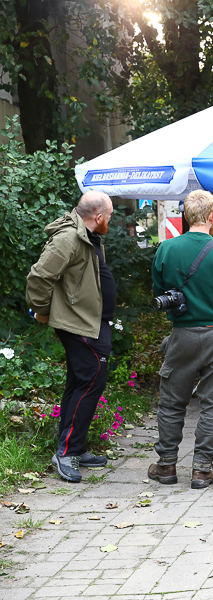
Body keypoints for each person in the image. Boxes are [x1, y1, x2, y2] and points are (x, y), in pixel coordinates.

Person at [148, 190, 213, 489]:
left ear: (185, 216)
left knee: (171, 402)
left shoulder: (166, 249)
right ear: (211, 217)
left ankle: (166, 465)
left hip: (182, 335)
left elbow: (161, 293)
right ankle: (203, 469)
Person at [26, 191, 116, 483]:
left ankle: (74, 446)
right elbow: (40, 277)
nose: (110, 221)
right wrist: (41, 311)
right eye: (110, 216)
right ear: (98, 216)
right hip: (79, 324)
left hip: (92, 322)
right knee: (91, 379)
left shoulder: (88, 236)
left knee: (81, 381)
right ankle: (66, 452)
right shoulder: (68, 239)